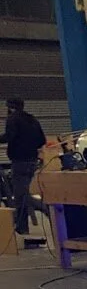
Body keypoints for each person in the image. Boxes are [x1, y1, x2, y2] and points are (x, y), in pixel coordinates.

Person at [1, 98, 48, 235]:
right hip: (32, 161)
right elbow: (42, 140)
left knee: (21, 196)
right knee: (23, 193)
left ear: (11, 107)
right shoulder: (32, 119)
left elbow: (9, 136)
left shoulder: (13, 119)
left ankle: (45, 208)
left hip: (19, 161)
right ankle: (22, 227)